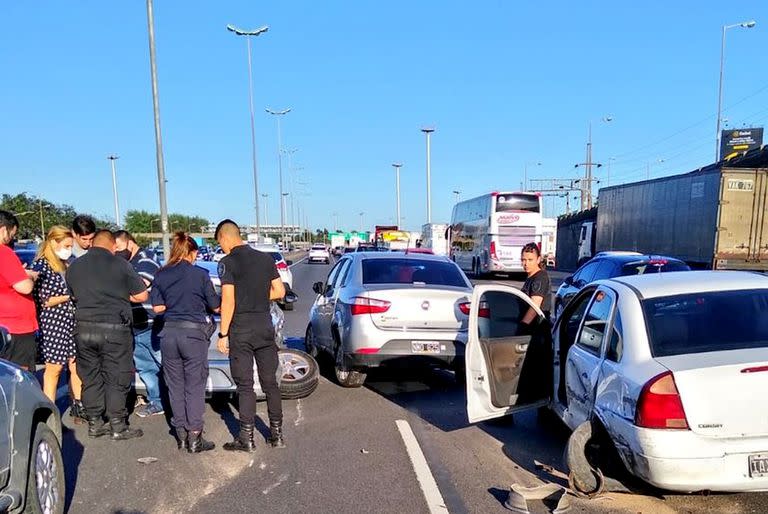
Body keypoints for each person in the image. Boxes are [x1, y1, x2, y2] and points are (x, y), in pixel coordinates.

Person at [66, 230, 148, 440]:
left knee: (90, 376)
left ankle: (94, 423)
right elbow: (141, 295)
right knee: (116, 377)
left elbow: (73, 295)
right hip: (114, 330)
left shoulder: (75, 266)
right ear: (112, 245)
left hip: (83, 329)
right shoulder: (120, 265)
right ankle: (118, 426)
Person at [215, 219, 286, 452]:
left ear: (225, 238)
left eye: (220, 244)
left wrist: (223, 334)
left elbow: (228, 300)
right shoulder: (265, 259)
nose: (221, 249)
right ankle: (277, 435)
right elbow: (279, 291)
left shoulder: (227, 262)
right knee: (270, 384)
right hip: (264, 326)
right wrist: (257, 297)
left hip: (241, 330)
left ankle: (247, 438)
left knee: (245, 385)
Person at [151, 232, 220, 453]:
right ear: (191, 253)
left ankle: (180, 434)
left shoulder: (161, 275)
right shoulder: (200, 275)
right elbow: (216, 306)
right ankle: (195, 436)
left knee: (175, 386)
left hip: (168, 335)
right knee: (194, 386)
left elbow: (158, 308)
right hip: (193, 336)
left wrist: (174, 303)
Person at [31, 226, 85, 421]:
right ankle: (49, 413)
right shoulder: (41, 266)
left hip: (71, 321)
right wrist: (68, 296)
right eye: (66, 245)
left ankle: (78, 405)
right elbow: (44, 300)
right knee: (54, 369)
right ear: (53, 242)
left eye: (71, 245)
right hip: (53, 323)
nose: (69, 249)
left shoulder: (66, 264)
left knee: (75, 364)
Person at [114, 230, 164, 418]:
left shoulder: (146, 258)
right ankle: (157, 401)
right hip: (133, 325)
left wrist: (114, 291)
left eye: (118, 248)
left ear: (129, 243)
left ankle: (173, 401)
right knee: (145, 367)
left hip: (151, 323)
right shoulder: (124, 263)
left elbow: (141, 285)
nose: (117, 252)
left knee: (163, 364)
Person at [0, 210, 39, 370]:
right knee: (18, 376)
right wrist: (30, 276)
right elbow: (24, 287)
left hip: (4, 324)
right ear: (3, 229)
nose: (11, 239)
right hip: (15, 328)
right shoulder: (4, 252)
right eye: (11, 234)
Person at [520, 242, 552, 328]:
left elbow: (534, 306)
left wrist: (523, 326)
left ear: (538, 260)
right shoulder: (531, 277)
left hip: (537, 331)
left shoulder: (540, 277)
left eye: (530, 260)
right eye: (523, 260)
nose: (526, 264)